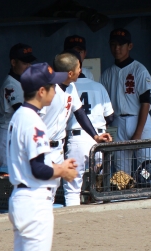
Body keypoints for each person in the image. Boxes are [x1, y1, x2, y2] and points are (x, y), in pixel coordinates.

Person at [2, 62, 78, 251]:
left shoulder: (19, 115)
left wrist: (57, 166)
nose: (56, 89)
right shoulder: (33, 121)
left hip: (22, 199)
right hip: (34, 200)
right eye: (52, 86)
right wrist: (62, 171)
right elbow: (39, 169)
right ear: (42, 91)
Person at [43, 53, 111, 204]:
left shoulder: (71, 87)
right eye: (78, 68)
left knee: (51, 192)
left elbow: (80, 112)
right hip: (42, 147)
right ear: (70, 73)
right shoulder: (48, 90)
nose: (80, 70)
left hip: (58, 148)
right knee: (43, 192)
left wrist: (95, 136)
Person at [61, 54, 114, 207]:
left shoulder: (67, 87)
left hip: (77, 138)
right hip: (98, 137)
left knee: (72, 188)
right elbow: (110, 117)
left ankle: (74, 219)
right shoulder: (98, 86)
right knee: (101, 186)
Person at [100, 28, 151, 175]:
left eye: (121, 44)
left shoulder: (139, 70)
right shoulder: (107, 74)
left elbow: (145, 103)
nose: (117, 48)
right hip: (117, 122)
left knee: (148, 169)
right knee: (121, 174)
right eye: (113, 44)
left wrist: (138, 133)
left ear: (129, 46)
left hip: (139, 120)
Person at [0, 43, 36, 167]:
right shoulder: (10, 84)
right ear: (13, 62)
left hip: (17, 135)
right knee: (6, 176)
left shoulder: (24, 82)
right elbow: (21, 111)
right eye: (24, 63)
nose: (28, 67)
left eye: (29, 63)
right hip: (7, 136)